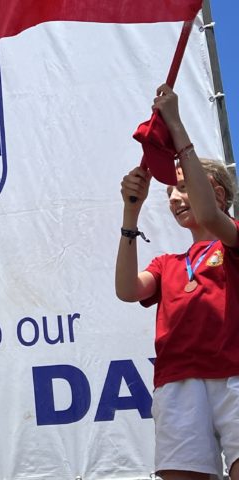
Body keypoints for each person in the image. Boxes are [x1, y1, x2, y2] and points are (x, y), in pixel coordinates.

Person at [116, 84, 239, 480]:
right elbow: (127, 290)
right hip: (178, 382)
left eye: (182, 187)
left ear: (216, 192)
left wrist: (175, 124)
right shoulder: (167, 263)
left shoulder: (233, 239)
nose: (172, 198)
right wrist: (130, 214)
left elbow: (211, 215)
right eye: (169, 191)